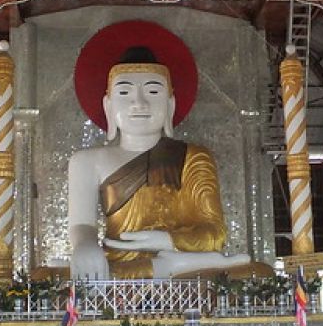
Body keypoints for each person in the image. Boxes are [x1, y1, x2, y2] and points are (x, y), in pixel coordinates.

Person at [69, 46, 251, 279]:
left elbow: (214, 233)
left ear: (170, 105)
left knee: (251, 273)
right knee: (50, 277)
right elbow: (82, 226)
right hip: (116, 264)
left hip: (174, 258)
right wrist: (85, 246)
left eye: (153, 92)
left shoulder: (193, 157)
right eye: (124, 94)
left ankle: (172, 265)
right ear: (108, 105)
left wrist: (168, 240)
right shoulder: (86, 161)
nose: (139, 103)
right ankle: (170, 267)